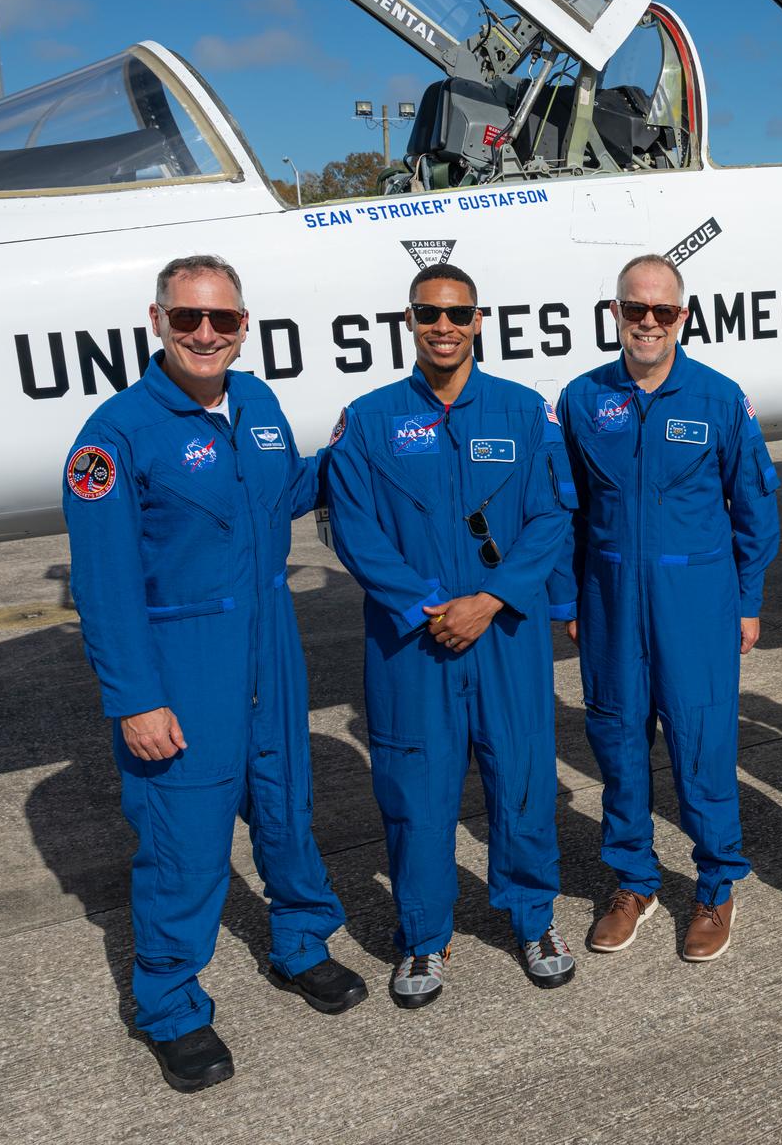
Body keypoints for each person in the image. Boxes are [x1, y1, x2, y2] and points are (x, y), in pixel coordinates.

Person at [63, 255, 363, 1094]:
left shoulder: (257, 403)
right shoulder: (117, 435)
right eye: (187, 318)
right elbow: (104, 587)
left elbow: (285, 494)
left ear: (243, 326)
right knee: (185, 845)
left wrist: (347, 451)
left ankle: (300, 942)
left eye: (222, 320)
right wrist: (136, 699)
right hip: (183, 663)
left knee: (286, 811)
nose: (205, 334)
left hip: (273, 650)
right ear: (157, 321)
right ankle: (170, 1006)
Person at [325, 261, 577, 1005]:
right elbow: (354, 529)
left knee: (523, 779)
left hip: (505, 636)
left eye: (458, 314)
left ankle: (533, 919)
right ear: (409, 321)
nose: (444, 326)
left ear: (478, 322)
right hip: (413, 643)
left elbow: (550, 517)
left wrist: (490, 599)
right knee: (416, 790)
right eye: (429, 313)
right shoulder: (368, 419)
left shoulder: (524, 411)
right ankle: (422, 937)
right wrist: (431, 606)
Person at [551, 254, 780, 963]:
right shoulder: (583, 399)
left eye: (662, 310)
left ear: (683, 316)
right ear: (614, 314)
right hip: (611, 601)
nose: (647, 322)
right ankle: (634, 882)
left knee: (702, 748)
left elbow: (755, 508)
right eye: (634, 308)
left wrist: (747, 599)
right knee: (619, 746)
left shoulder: (719, 398)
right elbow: (563, 510)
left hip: (697, 604)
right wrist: (570, 597)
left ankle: (715, 885)